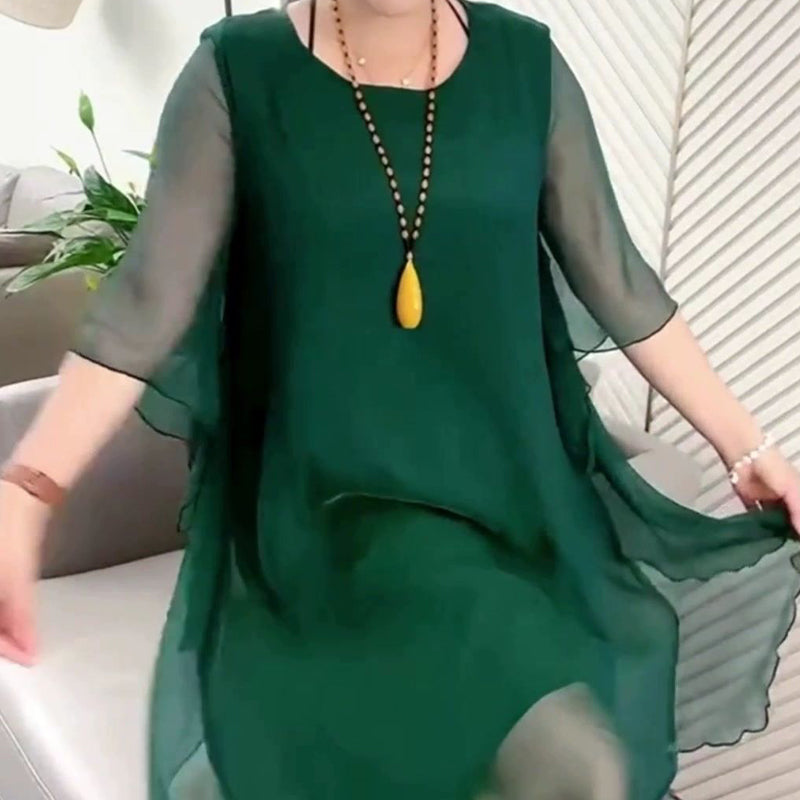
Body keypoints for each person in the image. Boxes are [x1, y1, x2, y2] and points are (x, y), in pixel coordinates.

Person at [1, 0, 799, 798]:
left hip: (516, 506)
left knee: (557, 762)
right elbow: (145, 306)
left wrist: (749, 447)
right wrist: (27, 492)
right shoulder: (238, 71)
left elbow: (619, 279)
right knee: (577, 766)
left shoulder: (527, 65)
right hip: (330, 514)